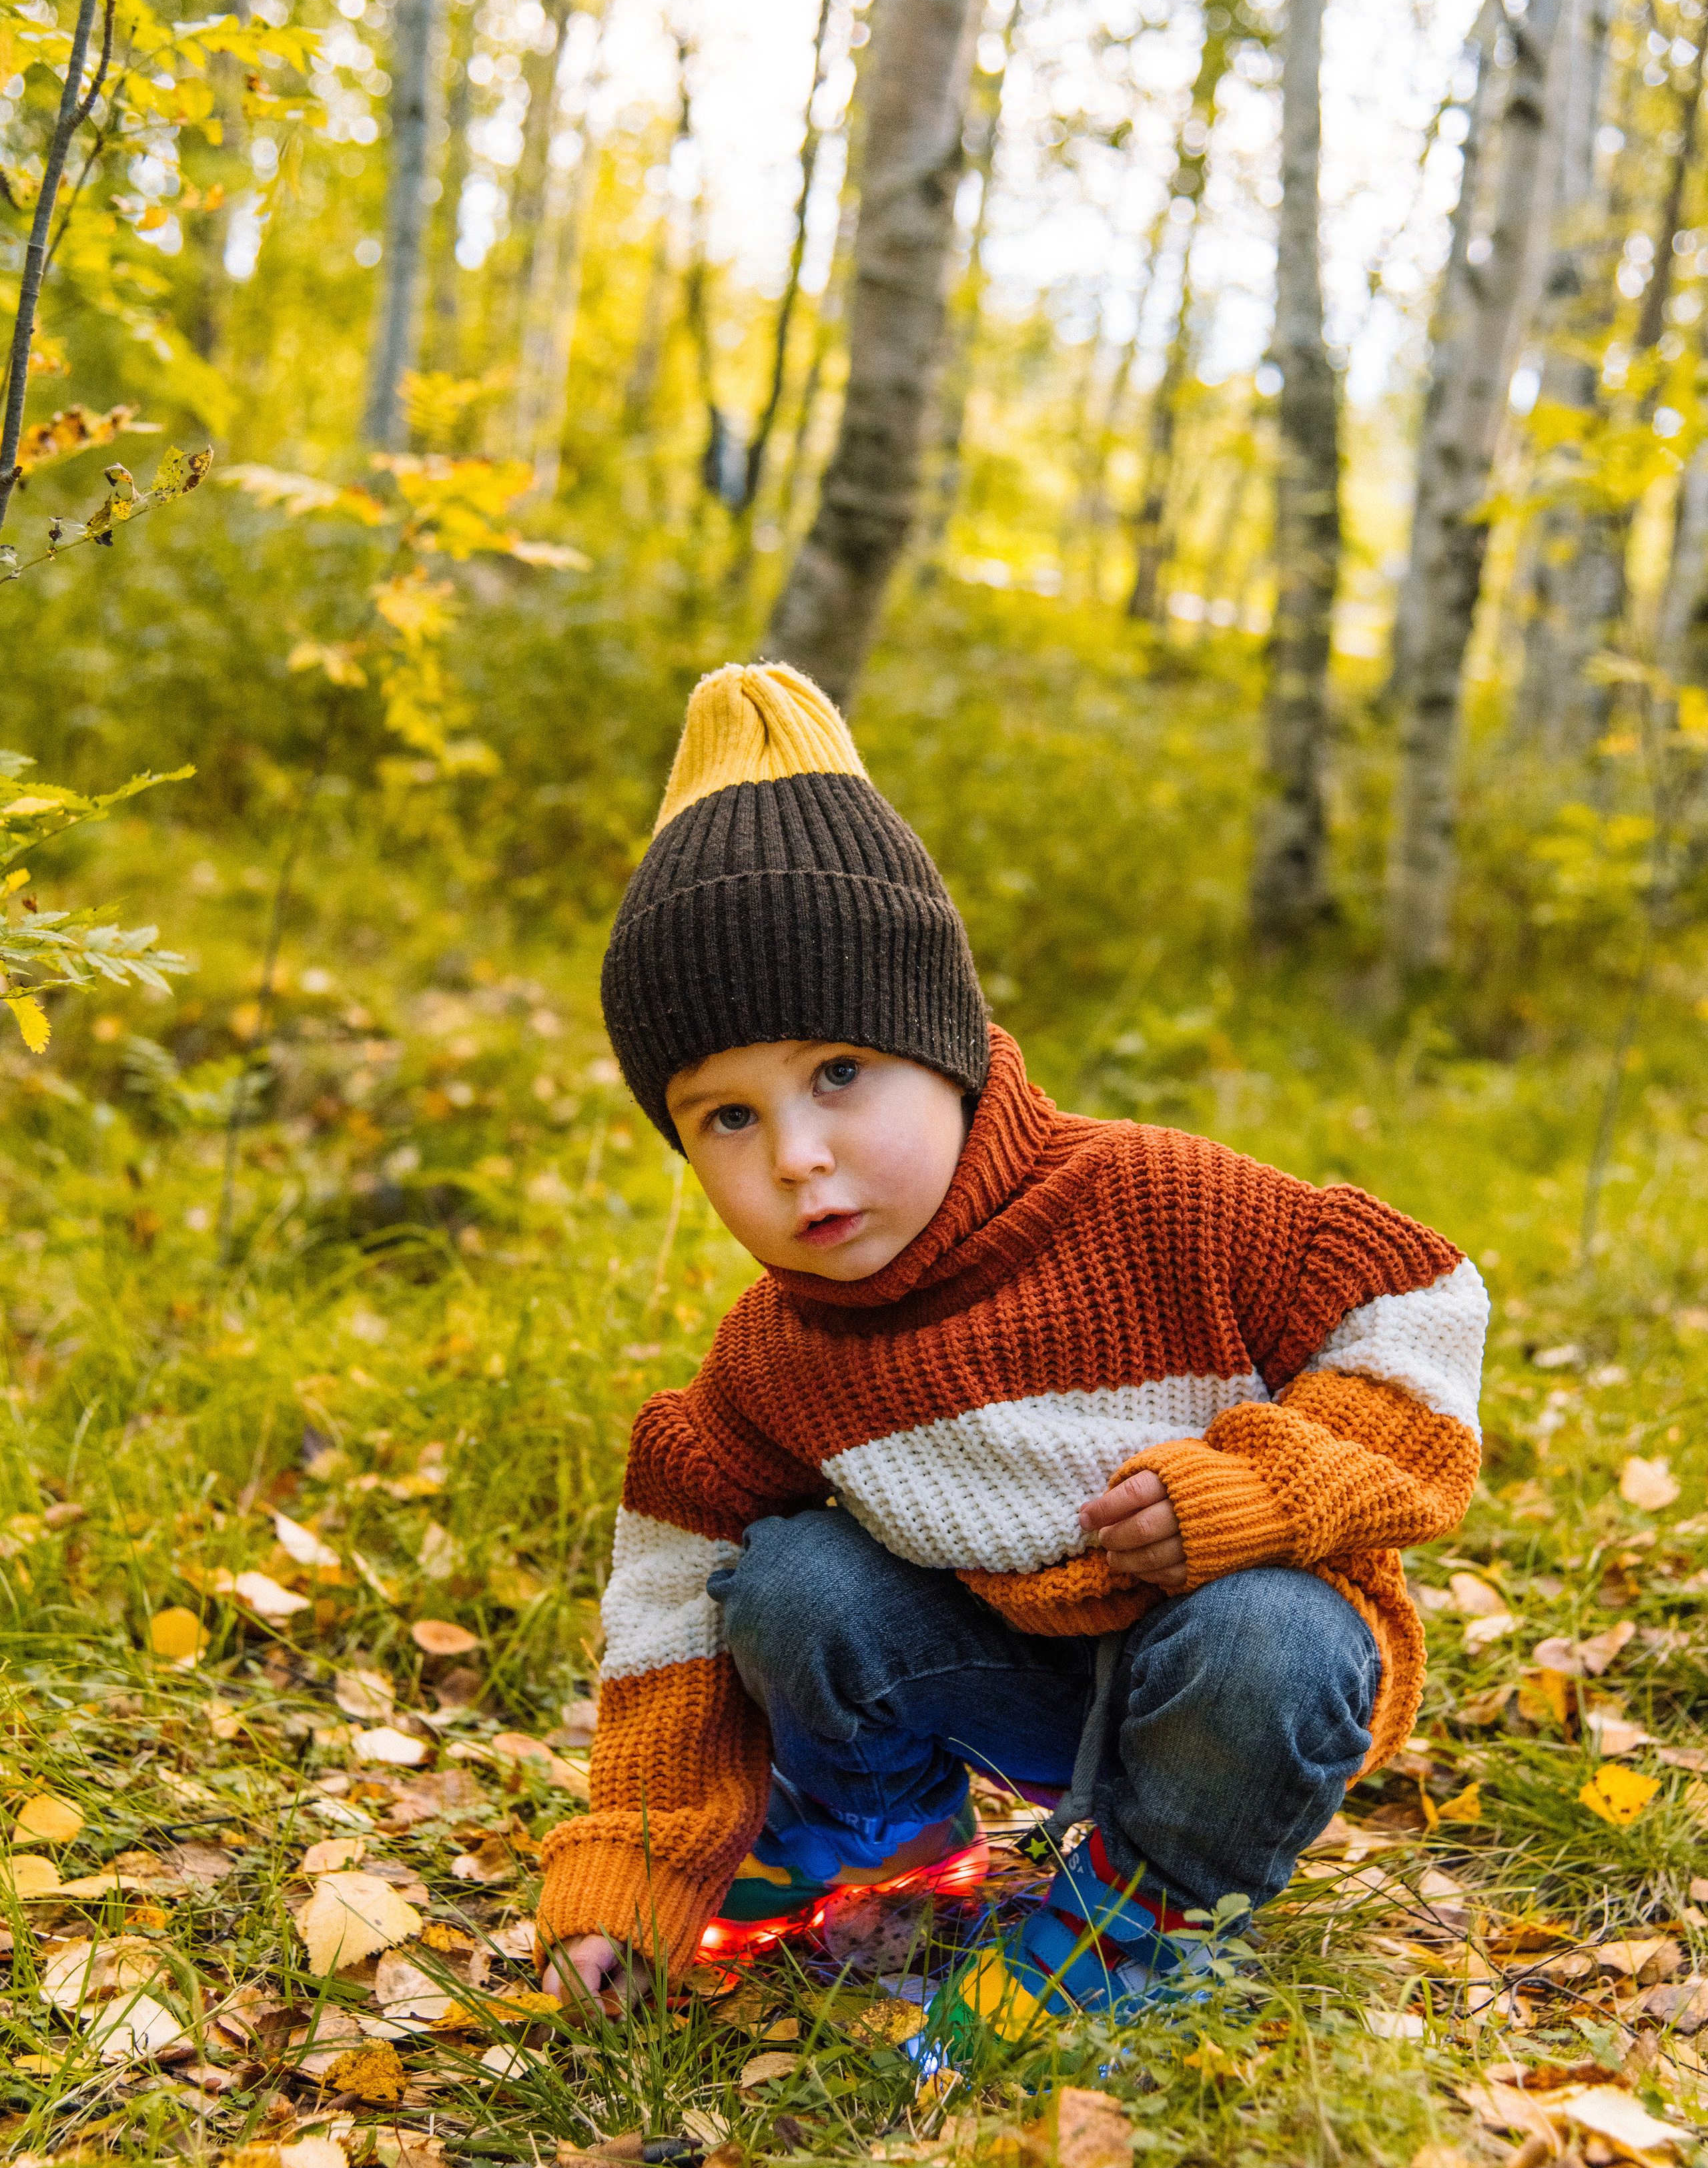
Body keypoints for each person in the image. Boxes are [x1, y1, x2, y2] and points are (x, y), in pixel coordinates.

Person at [534, 661, 1486, 2043]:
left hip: (1229, 1688)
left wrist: (1265, 1483)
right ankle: (878, 1838)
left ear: (943, 1047)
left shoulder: (1153, 1200)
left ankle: (1146, 1913)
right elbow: (669, 1610)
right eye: (725, 1118)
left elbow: (1419, 1296)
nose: (796, 1155)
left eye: (839, 1074)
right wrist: (634, 1876)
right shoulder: (779, 1357)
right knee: (786, 1581)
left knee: (1270, 1631)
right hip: (1005, 1677)